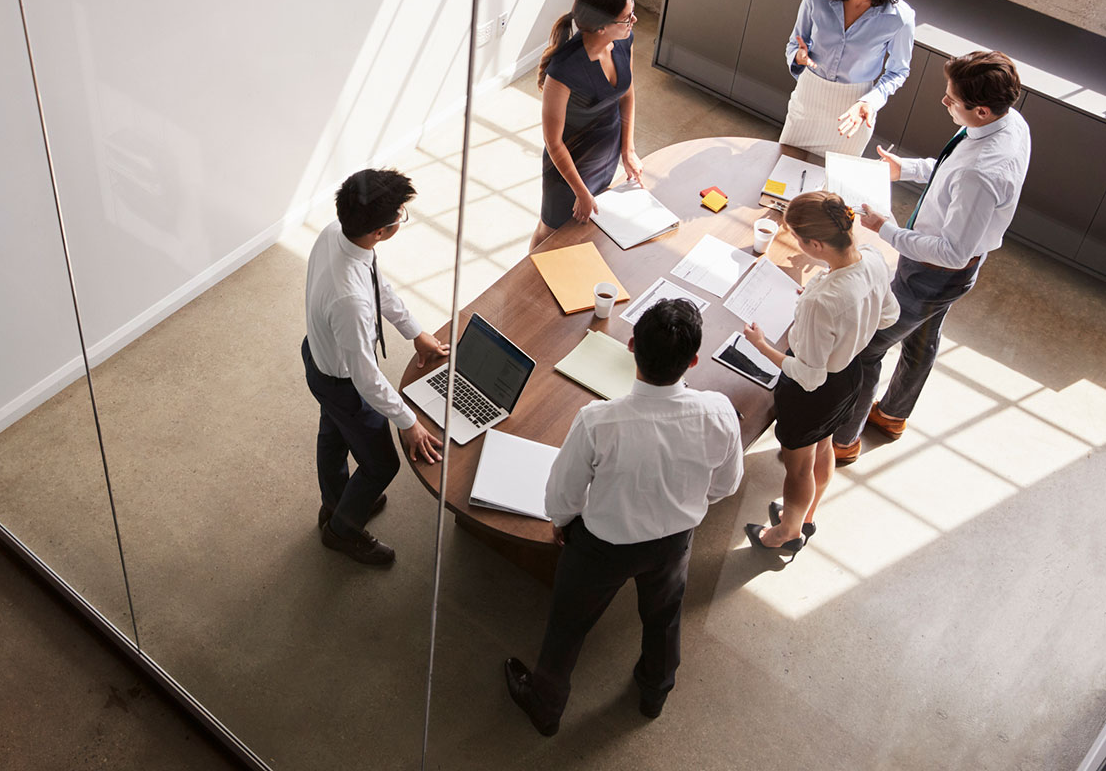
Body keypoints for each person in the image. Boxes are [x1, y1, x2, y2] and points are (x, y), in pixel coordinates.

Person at [503, 299, 742, 733]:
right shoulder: (719, 412)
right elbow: (726, 484)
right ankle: (654, 693)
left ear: (631, 346)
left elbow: (563, 494)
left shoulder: (598, 421)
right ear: (693, 360)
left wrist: (561, 521)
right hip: (673, 543)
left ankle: (546, 705)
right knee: (664, 616)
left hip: (600, 549)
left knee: (568, 626)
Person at [832, 50, 1032, 464]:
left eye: (951, 100)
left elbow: (954, 252)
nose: (944, 102)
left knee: (867, 348)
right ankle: (891, 415)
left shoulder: (983, 173)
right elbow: (950, 170)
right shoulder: (1009, 121)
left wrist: (886, 229)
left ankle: (844, 440)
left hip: (933, 273)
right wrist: (903, 169)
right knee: (922, 336)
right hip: (943, 273)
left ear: (979, 110)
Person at [302, 168, 449, 565]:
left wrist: (414, 331)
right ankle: (341, 531)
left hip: (317, 355)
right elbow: (366, 378)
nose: (402, 217)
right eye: (400, 214)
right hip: (341, 380)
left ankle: (335, 504)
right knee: (382, 464)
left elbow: (377, 283)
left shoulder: (337, 232)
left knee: (332, 436)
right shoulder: (350, 302)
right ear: (381, 232)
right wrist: (409, 421)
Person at [739, 192, 898, 552]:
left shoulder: (820, 303)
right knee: (823, 446)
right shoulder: (872, 260)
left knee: (798, 468)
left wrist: (762, 346)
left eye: (795, 236)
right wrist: (846, 325)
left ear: (814, 243)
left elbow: (809, 376)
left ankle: (786, 533)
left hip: (813, 392)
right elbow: (889, 315)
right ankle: (807, 516)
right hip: (849, 378)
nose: (794, 241)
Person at [779, 0, 915, 157]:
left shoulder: (899, 18)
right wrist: (799, 57)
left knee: (829, 190)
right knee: (780, 180)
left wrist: (870, 102)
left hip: (853, 111)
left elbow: (898, 72)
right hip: (808, 100)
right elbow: (795, 43)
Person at [530, 0, 643, 250]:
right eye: (627, 17)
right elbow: (553, 142)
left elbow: (626, 93)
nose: (634, 20)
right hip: (569, 169)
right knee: (550, 232)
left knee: (586, 232)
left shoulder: (623, 41)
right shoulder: (564, 71)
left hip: (606, 156)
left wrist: (627, 150)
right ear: (602, 27)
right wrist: (580, 192)